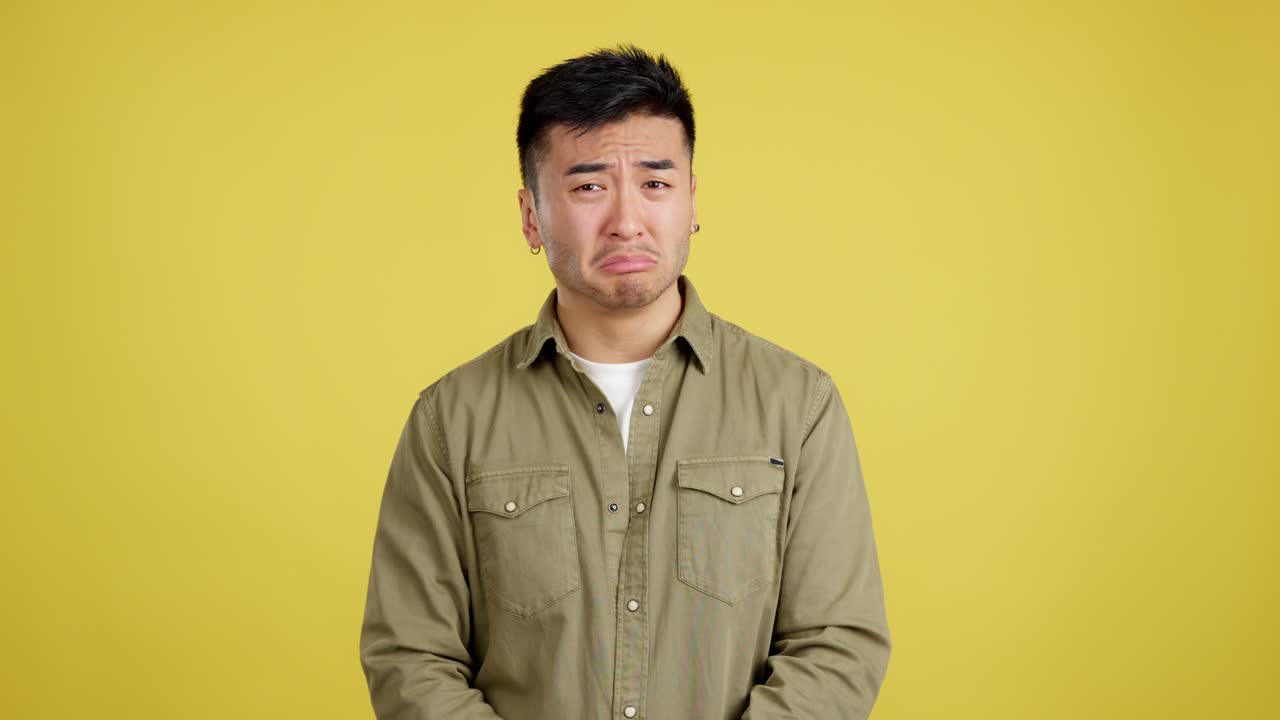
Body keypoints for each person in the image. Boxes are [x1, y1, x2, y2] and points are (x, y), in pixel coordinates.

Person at [359, 44, 891, 719]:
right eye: (588, 186)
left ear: (692, 200)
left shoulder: (798, 404)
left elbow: (837, 645)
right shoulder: (450, 419)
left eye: (655, 182)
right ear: (531, 216)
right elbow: (411, 658)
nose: (626, 220)